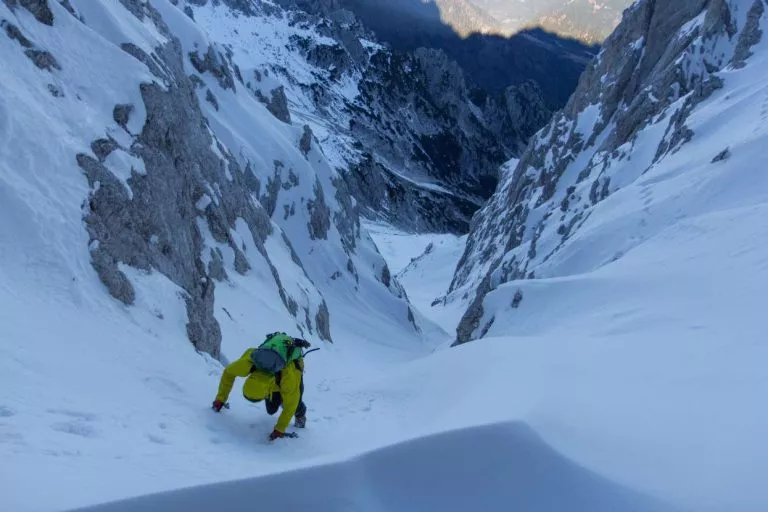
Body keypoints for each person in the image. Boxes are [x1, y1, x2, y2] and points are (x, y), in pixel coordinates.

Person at [211, 333, 310, 441]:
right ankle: (279, 399)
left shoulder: (287, 378)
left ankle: (301, 415)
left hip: (292, 365)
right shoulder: (248, 364)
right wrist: (220, 399)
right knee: (271, 410)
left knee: (295, 401)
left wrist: (279, 429)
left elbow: (291, 404)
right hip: (272, 377)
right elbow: (228, 373)